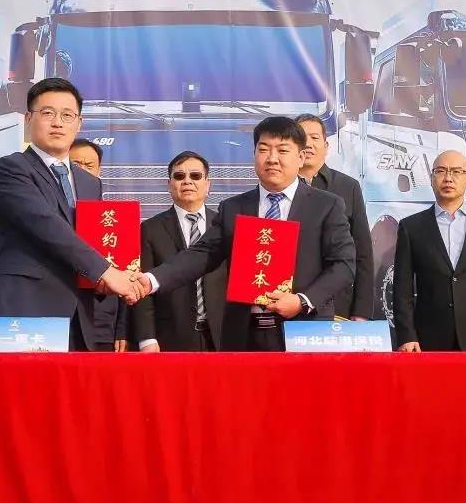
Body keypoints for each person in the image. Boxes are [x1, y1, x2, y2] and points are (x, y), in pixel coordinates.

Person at [132, 117, 355, 351]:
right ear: (254, 155)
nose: (272, 158)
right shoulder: (234, 208)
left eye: (282, 150)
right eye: (264, 149)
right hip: (245, 336)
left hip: (303, 332)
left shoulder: (326, 206)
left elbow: (343, 265)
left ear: (300, 157)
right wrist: (152, 280)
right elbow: (202, 253)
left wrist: (301, 301)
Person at [0, 78, 143, 351]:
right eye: (48, 113)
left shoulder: (90, 183)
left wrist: (105, 278)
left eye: (67, 115)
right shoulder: (10, 169)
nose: (58, 123)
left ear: (79, 123)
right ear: (28, 119)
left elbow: (94, 239)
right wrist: (106, 271)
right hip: (26, 308)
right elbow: (46, 225)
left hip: (80, 316)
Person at [393, 150, 466, 351]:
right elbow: (402, 289)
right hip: (428, 336)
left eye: (457, 171)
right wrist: (407, 335)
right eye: (441, 171)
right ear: (431, 178)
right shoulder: (411, 227)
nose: (448, 178)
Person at [134, 151, 227, 352]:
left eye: (195, 176)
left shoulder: (225, 226)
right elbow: (142, 287)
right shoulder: (149, 229)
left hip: (222, 337)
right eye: (179, 176)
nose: (187, 181)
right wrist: (147, 338)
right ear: (169, 185)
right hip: (170, 337)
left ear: (208, 185)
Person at [295, 113, 373, 320]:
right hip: (288, 303)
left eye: (315, 138)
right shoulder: (279, 190)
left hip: (337, 305)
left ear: (326, 146)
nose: (308, 144)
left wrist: (361, 311)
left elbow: (363, 252)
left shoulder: (348, 187)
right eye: (301, 137)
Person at [69, 137, 128, 352]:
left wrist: (122, 329)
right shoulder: (49, 213)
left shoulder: (113, 218)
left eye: (89, 165)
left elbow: (126, 274)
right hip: (56, 321)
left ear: (99, 170)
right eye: (76, 165)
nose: (83, 171)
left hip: (101, 323)